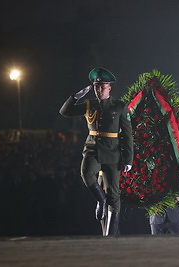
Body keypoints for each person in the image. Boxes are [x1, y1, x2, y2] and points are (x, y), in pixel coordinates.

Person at [59, 67, 133, 235]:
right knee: (86, 174)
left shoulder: (120, 106)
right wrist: (76, 97)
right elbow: (65, 112)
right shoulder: (88, 104)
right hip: (92, 148)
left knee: (114, 195)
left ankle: (110, 235)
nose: (98, 90)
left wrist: (128, 159)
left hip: (113, 153)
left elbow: (128, 135)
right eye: (96, 87)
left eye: (102, 87)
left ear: (109, 88)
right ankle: (101, 200)